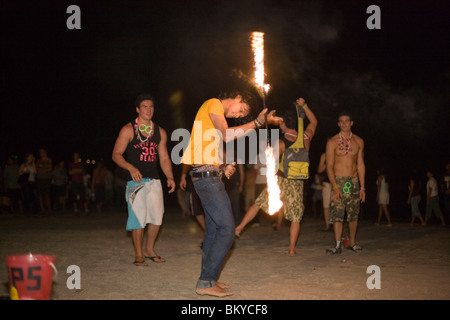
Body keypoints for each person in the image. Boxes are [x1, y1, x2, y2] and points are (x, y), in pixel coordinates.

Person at [181, 90, 282, 297]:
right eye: (241, 109)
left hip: (207, 175)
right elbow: (226, 135)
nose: (237, 115)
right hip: (205, 178)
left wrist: (222, 168)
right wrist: (255, 122)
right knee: (227, 229)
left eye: (241, 115)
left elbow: (210, 146)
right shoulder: (213, 103)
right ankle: (206, 281)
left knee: (214, 231)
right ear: (237, 97)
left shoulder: (212, 113)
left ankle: (209, 278)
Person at [235, 97, 317, 257]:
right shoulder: (306, 137)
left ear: (284, 123)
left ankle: (239, 228)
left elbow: (270, 163)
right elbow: (314, 122)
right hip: (298, 182)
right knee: (296, 217)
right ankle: (291, 248)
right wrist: (304, 106)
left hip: (281, 181)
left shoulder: (281, 143)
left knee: (258, 203)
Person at [112, 93, 176, 267]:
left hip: (154, 179)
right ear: (138, 109)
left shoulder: (160, 131)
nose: (149, 110)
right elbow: (116, 155)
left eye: (151, 106)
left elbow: (163, 158)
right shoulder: (128, 129)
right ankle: (139, 254)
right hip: (135, 182)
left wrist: (170, 176)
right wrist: (131, 168)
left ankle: (149, 249)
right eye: (145, 107)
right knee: (138, 218)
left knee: (157, 217)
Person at [325, 111, 365, 254]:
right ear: (338, 124)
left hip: (352, 182)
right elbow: (329, 166)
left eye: (346, 121)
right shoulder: (332, 141)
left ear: (351, 123)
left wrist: (362, 187)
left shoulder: (359, 141)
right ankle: (337, 244)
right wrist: (335, 186)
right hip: (339, 182)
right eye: (341, 121)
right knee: (337, 213)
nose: (344, 123)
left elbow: (360, 165)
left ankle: (352, 242)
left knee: (353, 213)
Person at [36, 147, 53, 215]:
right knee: (40, 195)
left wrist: (41, 170)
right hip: (39, 179)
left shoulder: (49, 160)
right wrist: (44, 170)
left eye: (42, 152)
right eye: (40, 152)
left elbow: (50, 168)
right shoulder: (38, 160)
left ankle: (49, 210)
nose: (41, 153)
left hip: (46, 179)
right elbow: (36, 168)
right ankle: (42, 210)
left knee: (47, 195)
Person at [318, 152, 332, 231]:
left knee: (336, 204)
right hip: (327, 182)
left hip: (338, 182)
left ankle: (334, 223)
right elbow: (319, 170)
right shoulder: (324, 155)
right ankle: (328, 226)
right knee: (326, 205)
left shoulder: (339, 152)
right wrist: (327, 163)